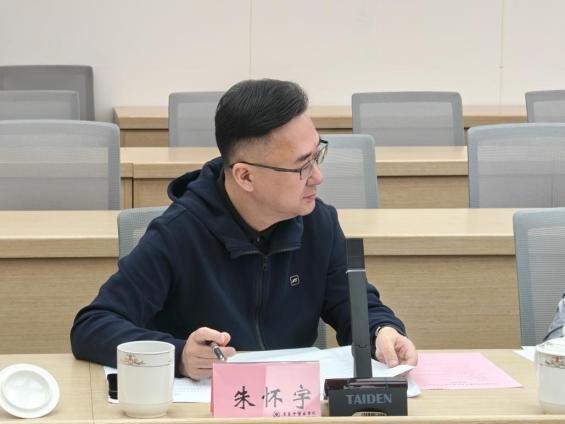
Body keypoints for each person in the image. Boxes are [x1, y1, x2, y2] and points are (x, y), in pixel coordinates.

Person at [71, 79, 417, 379]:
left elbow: (356, 307)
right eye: (302, 166)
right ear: (245, 176)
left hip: (292, 403)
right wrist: (179, 356)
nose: (318, 176)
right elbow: (93, 325)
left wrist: (382, 331)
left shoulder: (318, 223)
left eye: (318, 155)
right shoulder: (178, 234)